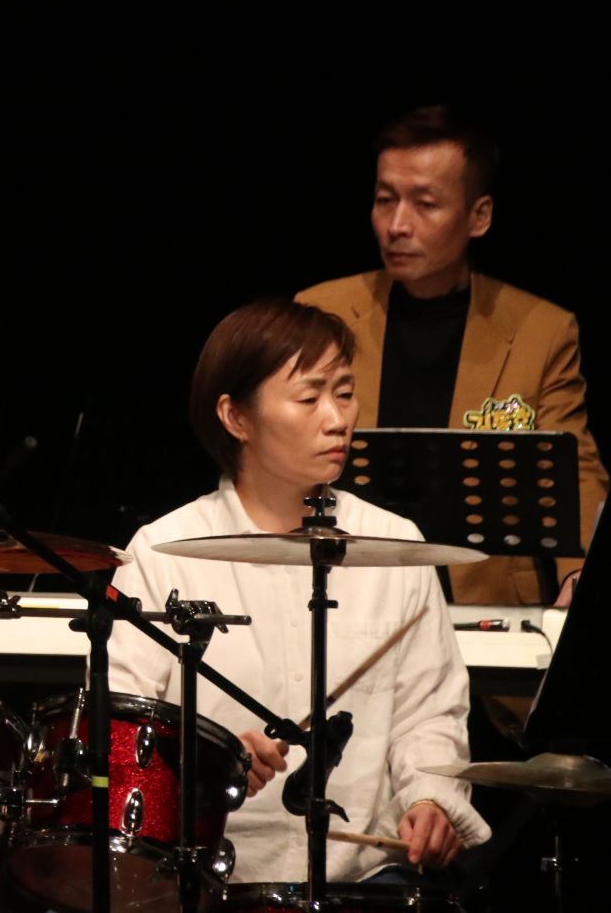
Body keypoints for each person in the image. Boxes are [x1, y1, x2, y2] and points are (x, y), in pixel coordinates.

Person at [107, 300, 490, 884]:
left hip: (363, 879)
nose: (337, 419)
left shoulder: (395, 545)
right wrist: (210, 759)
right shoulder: (163, 550)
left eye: (345, 393)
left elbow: (430, 711)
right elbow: (122, 724)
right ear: (236, 417)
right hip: (205, 878)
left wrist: (430, 799)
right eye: (310, 399)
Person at [297, 105, 606, 606]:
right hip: (346, 592)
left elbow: (573, 471)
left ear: (478, 216)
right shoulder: (322, 312)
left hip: (484, 599)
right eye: (385, 200)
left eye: (425, 204)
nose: (397, 225)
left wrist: (579, 575)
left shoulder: (541, 330)